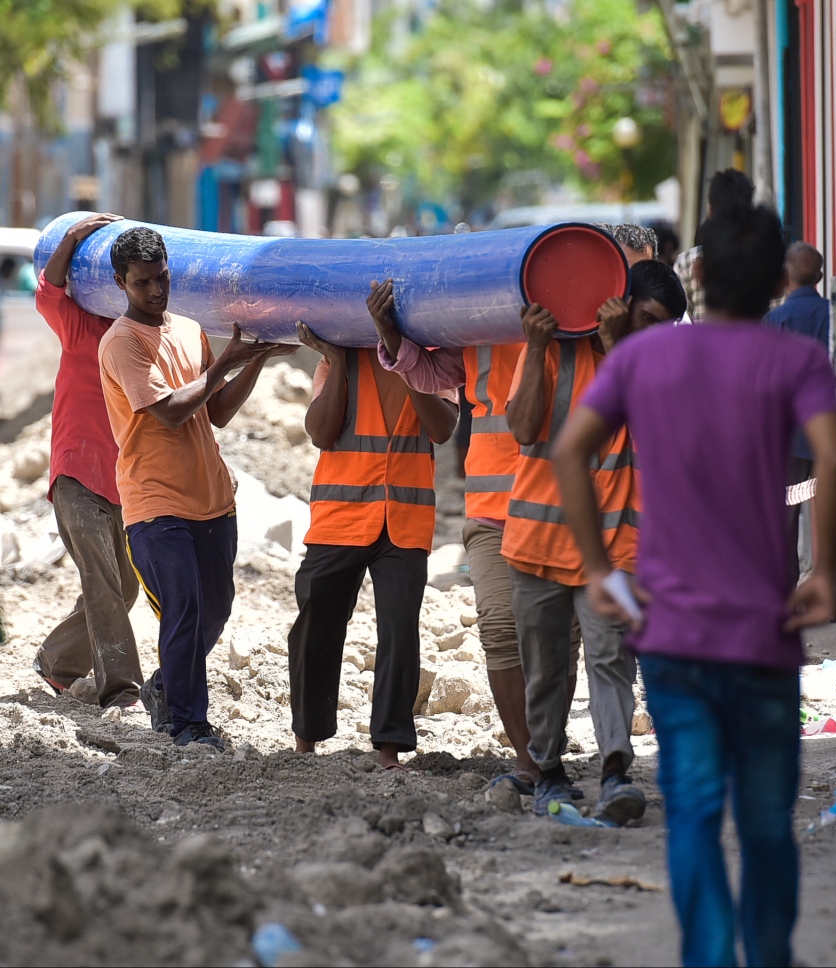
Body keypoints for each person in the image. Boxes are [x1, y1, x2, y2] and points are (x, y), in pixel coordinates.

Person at [553, 202, 836, 967]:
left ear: (701, 275)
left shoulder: (641, 359)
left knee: (692, 816)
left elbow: (570, 453)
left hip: (674, 640)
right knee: (764, 823)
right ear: (778, 281)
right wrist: (823, 573)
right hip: (763, 638)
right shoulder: (795, 361)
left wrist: (598, 569)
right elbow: (835, 458)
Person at [504, 259, 686, 822]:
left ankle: (614, 772)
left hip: (614, 548)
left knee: (611, 658)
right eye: (649, 318)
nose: (653, 333)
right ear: (620, 302)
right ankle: (549, 773)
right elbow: (523, 427)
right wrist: (534, 348)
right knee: (545, 667)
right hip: (538, 540)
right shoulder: (554, 347)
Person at [98, 225, 292, 751]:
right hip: (154, 503)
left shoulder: (188, 330)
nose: (157, 290)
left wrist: (250, 361)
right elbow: (170, 413)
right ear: (121, 283)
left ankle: (167, 686)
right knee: (182, 607)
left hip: (211, 499)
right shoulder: (120, 343)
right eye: (143, 283)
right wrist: (228, 362)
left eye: (162, 278)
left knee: (215, 609)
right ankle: (189, 725)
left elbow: (219, 411)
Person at [372, 298, 546, 793]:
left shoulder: (566, 330)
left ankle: (546, 749)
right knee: (497, 626)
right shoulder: (477, 330)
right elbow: (429, 371)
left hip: (556, 503)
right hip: (491, 508)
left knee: (553, 638)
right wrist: (388, 333)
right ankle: (528, 759)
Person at [288, 284, 458, 770]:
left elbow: (442, 428)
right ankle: (307, 735)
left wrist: (403, 359)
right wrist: (337, 362)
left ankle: (389, 746)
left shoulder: (431, 361)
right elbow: (321, 431)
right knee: (316, 623)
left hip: (403, 522)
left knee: (399, 632)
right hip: (341, 518)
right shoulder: (338, 360)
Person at [32, 212, 144, 707]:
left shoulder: (141, 339)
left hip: (121, 480)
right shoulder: (82, 328)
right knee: (103, 583)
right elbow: (48, 292)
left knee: (125, 588)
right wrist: (74, 238)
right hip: (77, 473)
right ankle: (120, 687)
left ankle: (58, 663)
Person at [764, 242, 836, 622]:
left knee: (785, 513)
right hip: (831, 428)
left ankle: (783, 596)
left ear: (786, 276)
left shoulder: (774, 321)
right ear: (819, 276)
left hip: (788, 434)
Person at [674, 169, 755, 323]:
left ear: (710, 209)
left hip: (702, 345)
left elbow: (680, 319)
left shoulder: (686, 261)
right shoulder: (768, 260)